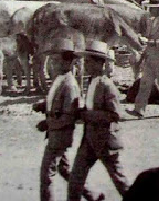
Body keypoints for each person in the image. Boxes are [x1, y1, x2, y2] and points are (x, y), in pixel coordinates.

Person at [32, 38, 99, 201]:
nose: (52, 65)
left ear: (67, 62)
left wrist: (47, 123)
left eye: (56, 60)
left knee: (46, 175)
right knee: (66, 170)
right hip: (55, 133)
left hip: (60, 135)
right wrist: (43, 105)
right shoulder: (60, 79)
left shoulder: (69, 84)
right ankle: (93, 196)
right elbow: (57, 103)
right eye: (52, 60)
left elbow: (68, 117)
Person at [68, 41, 130, 201]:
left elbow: (115, 115)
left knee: (120, 181)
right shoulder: (91, 82)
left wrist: (88, 116)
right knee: (75, 179)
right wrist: (80, 111)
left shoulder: (107, 86)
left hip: (105, 141)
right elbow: (91, 107)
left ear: (99, 63)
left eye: (89, 61)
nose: (85, 64)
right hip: (89, 140)